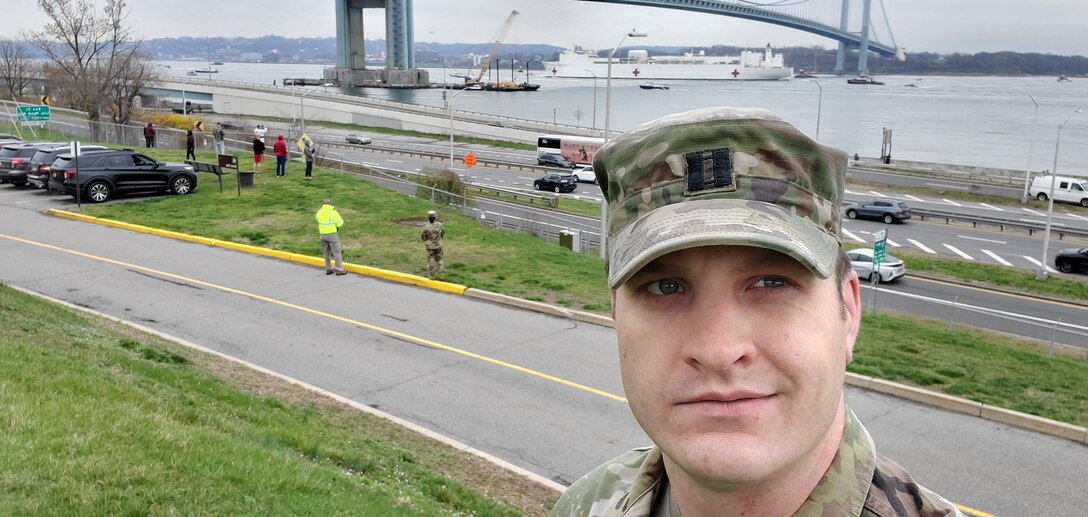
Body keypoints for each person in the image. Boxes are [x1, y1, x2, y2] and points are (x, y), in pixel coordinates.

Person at [550, 107, 961, 517]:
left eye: (771, 283)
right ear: (617, 316)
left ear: (848, 312)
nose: (717, 350)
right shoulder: (584, 506)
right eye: (665, 287)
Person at [315, 199, 346, 276]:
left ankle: (328, 268)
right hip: (332, 234)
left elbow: (317, 219)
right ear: (330, 205)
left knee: (326, 252)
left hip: (322, 235)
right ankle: (339, 269)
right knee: (336, 252)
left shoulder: (319, 212)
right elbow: (340, 223)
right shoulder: (333, 213)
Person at [420, 210, 445, 280]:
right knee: (439, 259)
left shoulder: (426, 227)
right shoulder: (440, 225)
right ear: (435, 217)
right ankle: (441, 274)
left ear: (428, 217)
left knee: (431, 259)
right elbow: (443, 233)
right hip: (439, 245)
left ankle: (431, 275)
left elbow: (423, 237)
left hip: (430, 246)